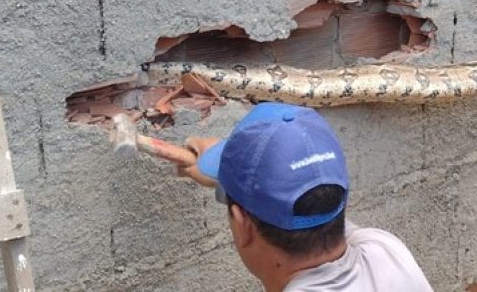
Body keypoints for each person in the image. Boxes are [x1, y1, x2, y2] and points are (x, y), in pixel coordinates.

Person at [178, 102, 433, 292]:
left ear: (244, 226)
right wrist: (234, 181)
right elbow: (313, 209)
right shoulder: (387, 252)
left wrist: (235, 178)